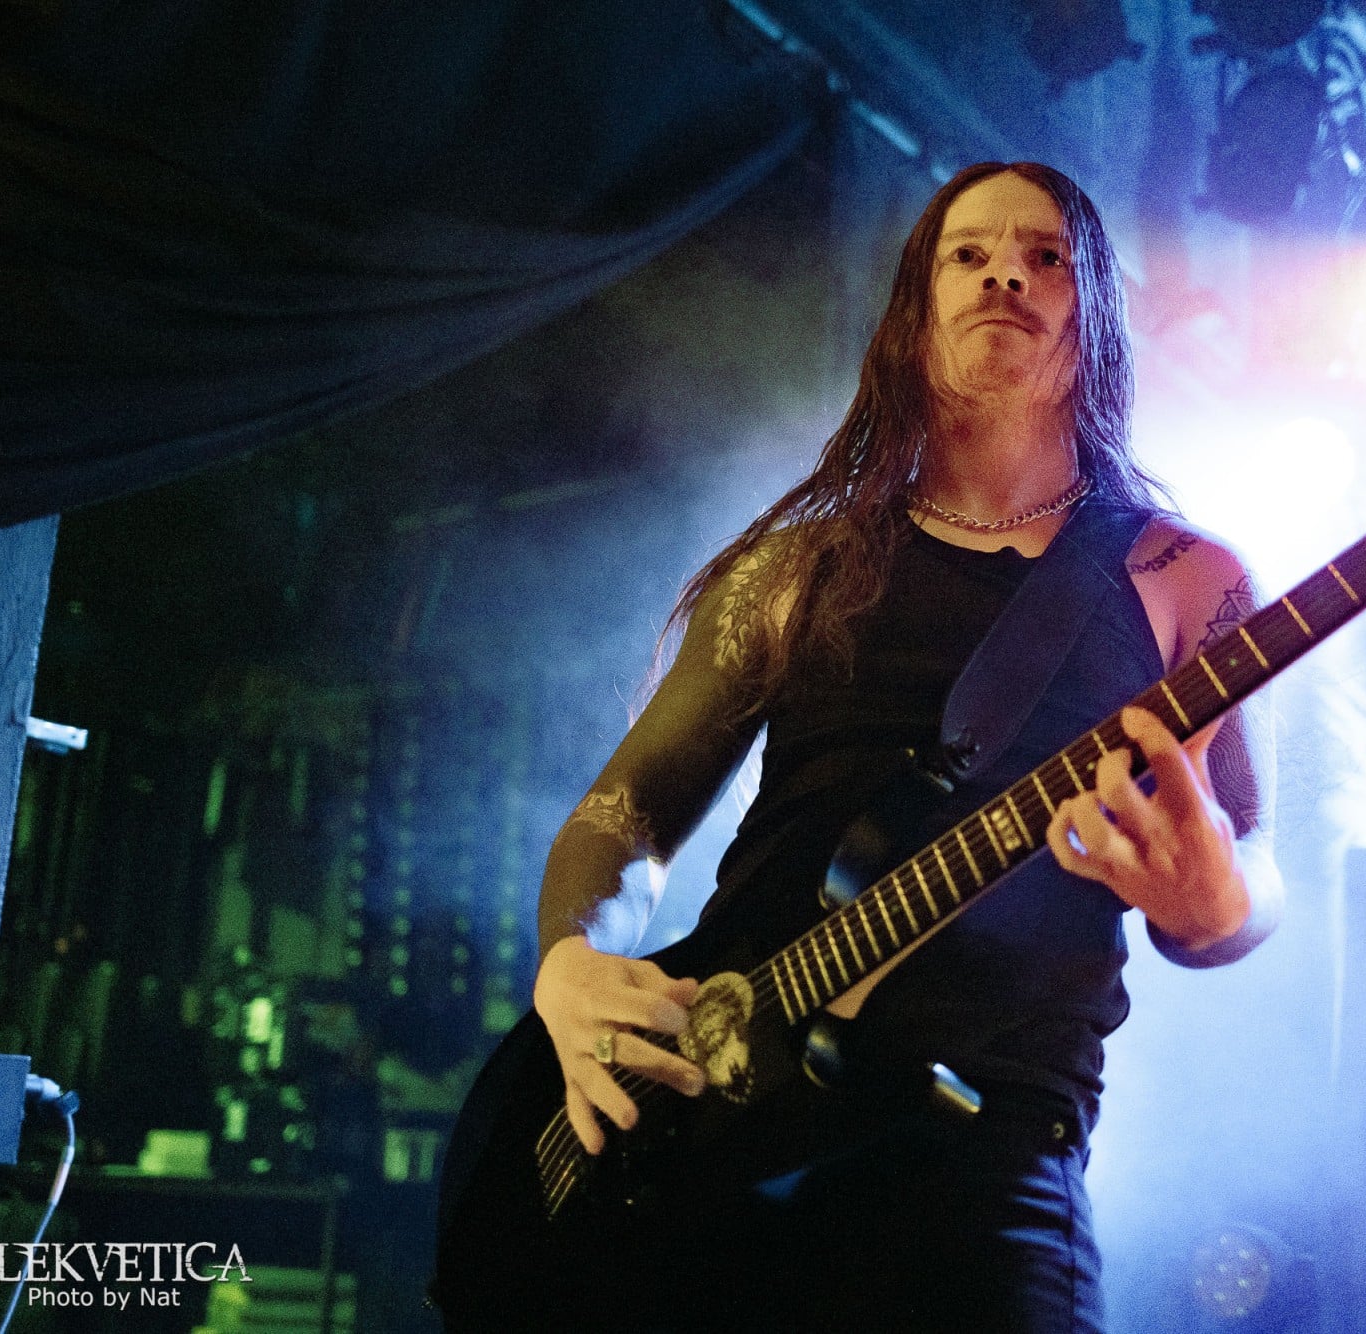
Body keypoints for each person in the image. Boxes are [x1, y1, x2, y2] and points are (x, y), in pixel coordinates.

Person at [530, 160, 1282, 1330]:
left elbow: (1255, 858)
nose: (1003, 276)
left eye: (1042, 257)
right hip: (719, 1115)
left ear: (1093, 315)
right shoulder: (797, 568)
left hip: (990, 1134)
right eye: (966, 254)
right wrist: (571, 964)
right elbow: (625, 815)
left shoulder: (1182, 577)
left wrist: (1215, 901)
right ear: (913, 315)